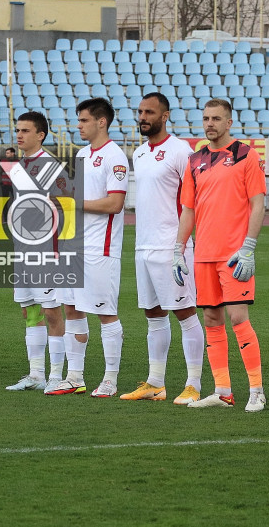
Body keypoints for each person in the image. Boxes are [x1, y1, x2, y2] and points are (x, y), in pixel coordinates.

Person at [173, 98, 267, 412]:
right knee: (211, 319)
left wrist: (249, 247)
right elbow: (188, 210)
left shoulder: (246, 155)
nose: (210, 123)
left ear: (229, 122)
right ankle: (223, 391)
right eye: (206, 118)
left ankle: (256, 390)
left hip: (234, 255)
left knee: (239, 318)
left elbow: (257, 204)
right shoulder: (195, 160)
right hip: (203, 255)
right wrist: (178, 249)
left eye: (216, 118)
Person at [121, 92, 205, 405]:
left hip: (172, 246)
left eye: (150, 112)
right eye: (140, 112)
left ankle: (193, 384)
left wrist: (180, 247)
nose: (143, 117)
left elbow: (191, 202)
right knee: (153, 315)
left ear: (165, 115)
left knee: (185, 313)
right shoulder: (140, 153)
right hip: (143, 245)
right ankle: (155, 383)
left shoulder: (182, 151)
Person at [46, 98, 129, 398]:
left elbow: (115, 203)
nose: (78, 125)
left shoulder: (115, 157)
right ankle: (75, 377)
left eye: (83, 120)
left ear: (101, 122)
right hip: (75, 245)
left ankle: (110, 379)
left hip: (100, 249)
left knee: (105, 312)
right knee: (71, 308)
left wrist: (73, 202)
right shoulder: (82, 155)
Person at [4, 111, 67, 394]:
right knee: (29, 312)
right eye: (18, 130)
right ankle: (36, 374)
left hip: (47, 253)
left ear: (40, 135)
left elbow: (66, 208)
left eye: (26, 131)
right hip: (23, 252)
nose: (19, 135)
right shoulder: (18, 166)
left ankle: (56, 376)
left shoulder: (52, 167)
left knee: (52, 312)